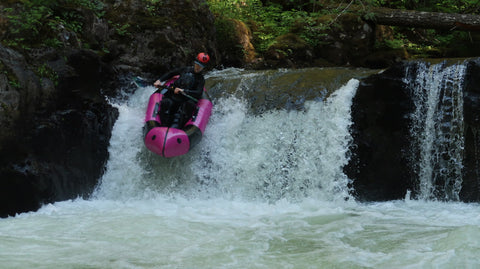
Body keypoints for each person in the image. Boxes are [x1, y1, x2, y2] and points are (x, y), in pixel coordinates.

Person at [153, 52, 210, 128]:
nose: (198, 67)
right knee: (166, 102)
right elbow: (171, 73)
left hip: (185, 100)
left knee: (187, 107)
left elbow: (198, 93)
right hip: (174, 96)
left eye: (201, 66)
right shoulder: (185, 69)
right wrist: (160, 80)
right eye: (197, 64)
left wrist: (184, 91)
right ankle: (162, 125)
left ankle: (177, 128)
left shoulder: (200, 79)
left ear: (203, 67)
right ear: (195, 63)